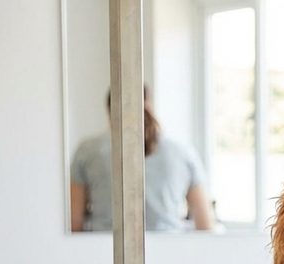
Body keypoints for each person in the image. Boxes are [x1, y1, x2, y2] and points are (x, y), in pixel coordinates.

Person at [70, 86, 216, 233]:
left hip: (103, 248)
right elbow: (205, 224)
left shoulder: (88, 150)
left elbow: (74, 222)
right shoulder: (183, 151)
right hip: (169, 247)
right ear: (149, 107)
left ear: (109, 112)